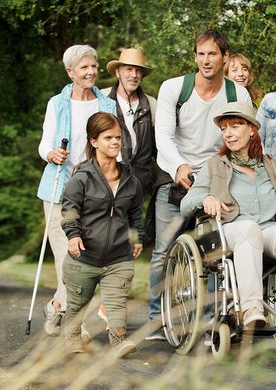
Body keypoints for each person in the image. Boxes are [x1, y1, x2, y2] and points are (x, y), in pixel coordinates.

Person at [181, 102, 276, 330]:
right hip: (231, 230)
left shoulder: (272, 165)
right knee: (249, 228)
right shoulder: (215, 165)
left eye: (235, 126)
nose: (228, 134)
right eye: (224, 129)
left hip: (268, 229)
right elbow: (186, 205)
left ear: (252, 129)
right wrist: (206, 199)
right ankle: (251, 308)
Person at [146, 29, 252, 340]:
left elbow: (242, 137)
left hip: (216, 174)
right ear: (195, 56)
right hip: (174, 170)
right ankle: (156, 319)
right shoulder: (174, 89)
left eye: (212, 54)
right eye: (201, 54)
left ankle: (210, 321)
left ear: (225, 58)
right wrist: (179, 164)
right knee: (164, 247)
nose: (206, 60)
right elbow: (162, 135)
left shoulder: (237, 95)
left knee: (216, 250)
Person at [37, 45, 115, 338]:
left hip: (94, 192)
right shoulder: (56, 103)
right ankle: (76, 325)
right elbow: (44, 143)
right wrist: (51, 154)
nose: (91, 72)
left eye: (93, 66)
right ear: (70, 72)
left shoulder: (106, 105)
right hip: (59, 190)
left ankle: (58, 304)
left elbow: (113, 146)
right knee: (69, 258)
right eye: (84, 67)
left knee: (87, 258)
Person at [61, 112, 144, 357]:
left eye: (118, 137)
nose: (115, 142)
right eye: (108, 138)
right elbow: (69, 211)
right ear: (94, 141)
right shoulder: (82, 178)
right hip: (83, 257)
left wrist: (136, 238)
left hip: (118, 258)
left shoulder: (130, 179)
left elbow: (135, 213)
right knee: (77, 306)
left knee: (117, 305)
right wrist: (73, 236)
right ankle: (72, 336)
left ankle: (119, 340)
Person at [103, 48, 157, 194]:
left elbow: (158, 148)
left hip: (139, 184)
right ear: (117, 72)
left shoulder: (152, 104)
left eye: (138, 71)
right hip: (106, 181)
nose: (133, 75)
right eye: (128, 69)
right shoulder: (103, 100)